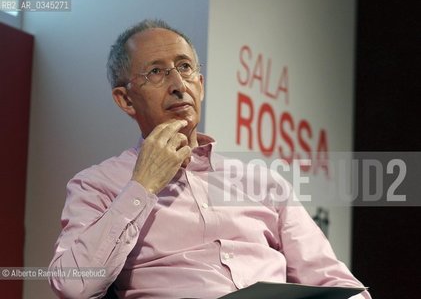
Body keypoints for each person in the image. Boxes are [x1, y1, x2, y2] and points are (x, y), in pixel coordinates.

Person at [49, 19, 371, 299]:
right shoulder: (97, 185)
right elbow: (73, 285)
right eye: (157, 72)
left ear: (200, 86)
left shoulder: (264, 183)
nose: (178, 86)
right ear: (125, 100)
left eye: (185, 68)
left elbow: (334, 281)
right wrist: (142, 186)